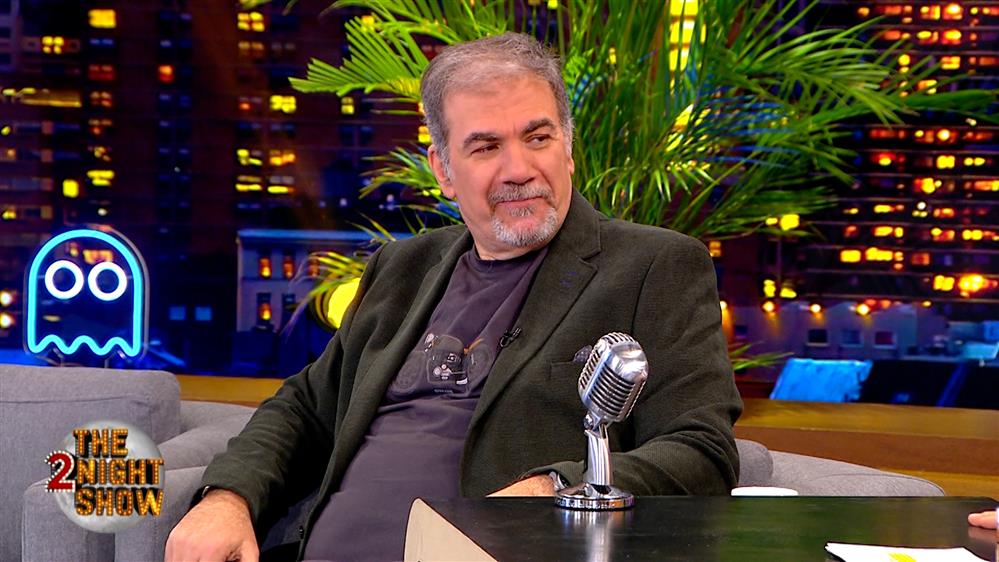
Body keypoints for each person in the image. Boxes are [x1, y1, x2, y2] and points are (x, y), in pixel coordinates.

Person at [166, 32, 741, 562]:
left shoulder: (651, 266)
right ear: (443, 170)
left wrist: (555, 490)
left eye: (538, 138)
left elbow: (701, 451)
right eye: (486, 147)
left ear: (567, 149)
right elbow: (304, 408)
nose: (519, 169)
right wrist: (228, 497)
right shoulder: (402, 267)